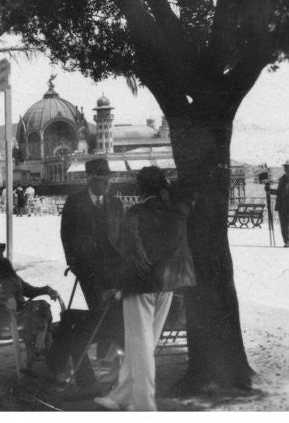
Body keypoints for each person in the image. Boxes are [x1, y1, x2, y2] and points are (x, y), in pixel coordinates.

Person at [95, 166, 196, 412]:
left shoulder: (135, 212)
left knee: (140, 347)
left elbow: (128, 245)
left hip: (140, 285)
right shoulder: (178, 210)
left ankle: (145, 406)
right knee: (143, 345)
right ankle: (121, 396)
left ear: (139, 189)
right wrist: (167, 187)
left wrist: (128, 271)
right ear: (162, 187)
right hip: (168, 284)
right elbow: (190, 195)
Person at [49, 157, 125, 396]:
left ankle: (104, 357)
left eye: (108, 180)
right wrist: (74, 262)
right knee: (98, 313)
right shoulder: (75, 202)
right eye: (102, 180)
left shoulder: (116, 202)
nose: (106, 184)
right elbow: (65, 235)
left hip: (114, 269)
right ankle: (95, 359)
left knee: (109, 315)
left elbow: (121, 234)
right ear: (91, 180)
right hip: (89, 271)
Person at [0, 237, 59, 375]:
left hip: (22, 316)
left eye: (1, 250)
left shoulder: (7, 271)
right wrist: (7, 298)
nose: (1, 254)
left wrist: (46, 290)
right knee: (41, 313)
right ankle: (41, 352)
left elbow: (27, 289)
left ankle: (38, 353)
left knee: (42, 311)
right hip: (4, 319)